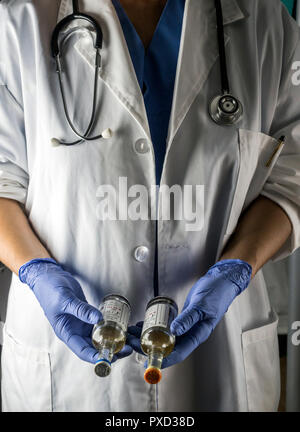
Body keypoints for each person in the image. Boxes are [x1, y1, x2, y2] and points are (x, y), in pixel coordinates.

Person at [0, 0, 299, 412]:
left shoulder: (263, 22)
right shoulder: (20, 23)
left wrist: (237, 268)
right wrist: (36, 272)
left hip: (219, 362)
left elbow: (290, 175)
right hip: (67, 378)